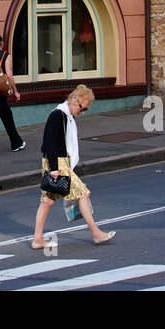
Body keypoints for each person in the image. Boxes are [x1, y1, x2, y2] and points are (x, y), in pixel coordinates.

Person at [32, 84, 115, 247]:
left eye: (85, 110)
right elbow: (50, 143)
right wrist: (55, 168)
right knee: (83, 194)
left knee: (47, 201)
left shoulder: (67, 115)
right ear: (74, 101)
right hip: (58, 164)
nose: (82, 112)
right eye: (82, 108)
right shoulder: (58, 115)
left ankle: (37, 239)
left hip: (57, 163)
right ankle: (96, 233)